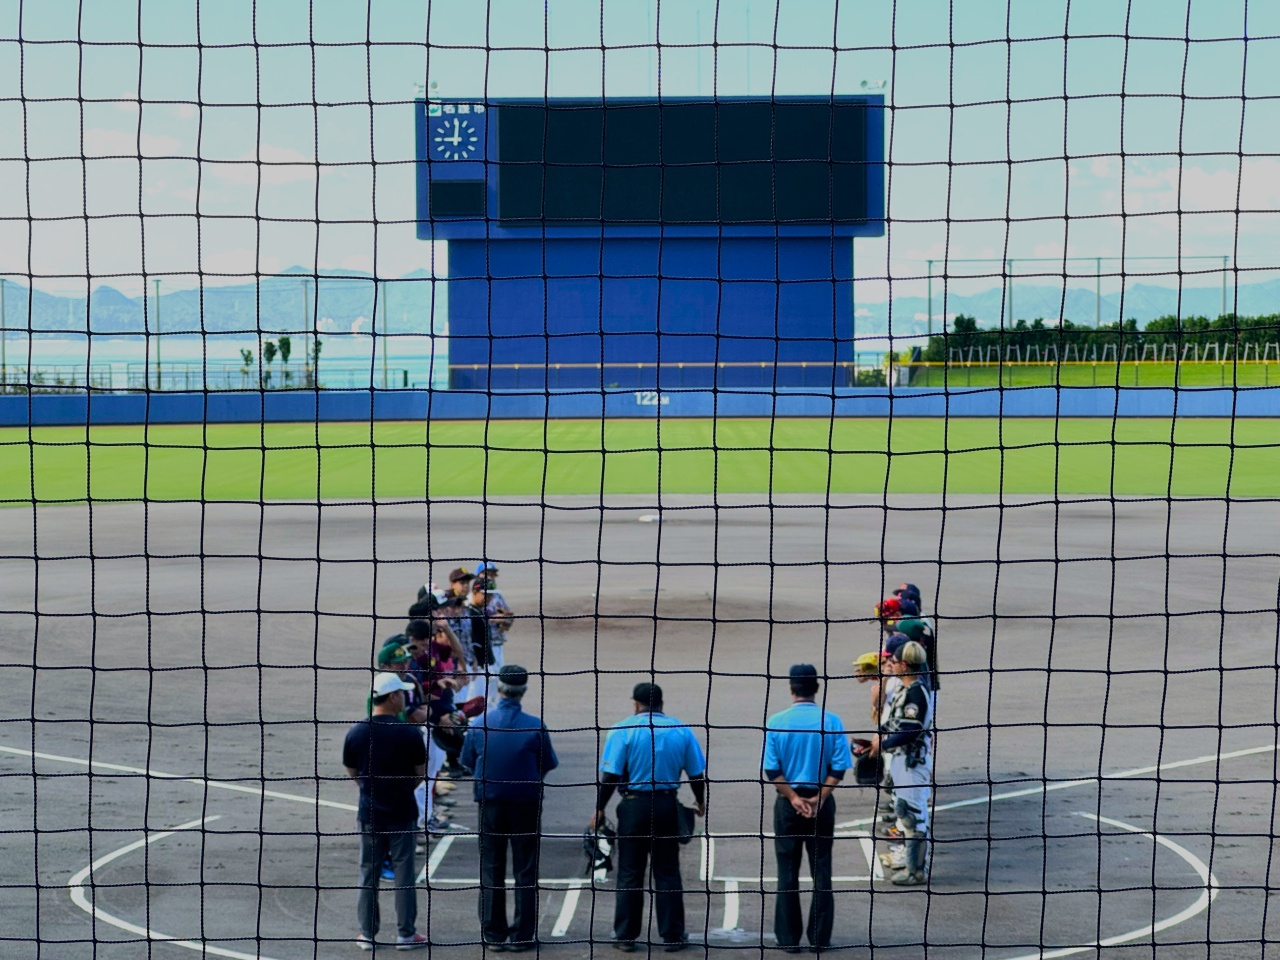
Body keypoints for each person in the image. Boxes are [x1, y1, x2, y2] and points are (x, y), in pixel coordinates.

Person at [591, 682, 706, 953]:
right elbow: (696, 774)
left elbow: (610, 776)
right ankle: (673, 935)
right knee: (668, 872)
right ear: (661, 703)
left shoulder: (622, 729)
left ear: (635, 703)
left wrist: (600, 808)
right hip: (666, 805)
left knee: (630, 872)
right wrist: (700, 801)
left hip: (634, 807)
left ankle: (626, 936)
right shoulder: (681, 729)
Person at [459, 664, 559, 952]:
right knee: (525, 869)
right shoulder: (535, 725)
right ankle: (522, 935)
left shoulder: (480, 724)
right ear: (522, 692)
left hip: (490, 802)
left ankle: (493, 934)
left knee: (492, 867)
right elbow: (547, 764)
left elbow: (468, 761)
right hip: (525, 803)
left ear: (500, 690)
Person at [762, 664, 853, 954]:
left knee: (787, 871)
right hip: (820, 805)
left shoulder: (776, 721)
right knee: (822, 870)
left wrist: (792, 798)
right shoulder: (832, 721)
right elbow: (838, 768)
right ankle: (819, 938)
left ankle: (788, 939)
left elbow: (772, 770)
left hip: (787, 805)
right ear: (816, 687)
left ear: (792, 688)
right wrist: (819, 797)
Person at [343, 672, 430, 951]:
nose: (405, 698)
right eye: (402, 693)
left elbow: (352, 771)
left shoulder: (356, 732)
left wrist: (372, 789)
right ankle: (406, 934)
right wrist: (400, 788)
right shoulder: (410, 733)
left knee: (368, 873)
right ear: (392, 697)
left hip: (370, 812)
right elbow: (420, 773)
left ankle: (368, 934)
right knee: (404, 874)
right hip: (403, 812)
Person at [867, 640, 933, 886]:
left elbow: (909, 732)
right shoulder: (907, 689)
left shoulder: (916, 692)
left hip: (912, 764)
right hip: (902, 761)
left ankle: (916, 871)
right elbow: (894, 722)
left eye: (893, 662)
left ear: (904, 665)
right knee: (905, 811)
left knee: (913, 816)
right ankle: (911, 865)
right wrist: (878, 736)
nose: (890, 665)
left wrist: (882, 745)